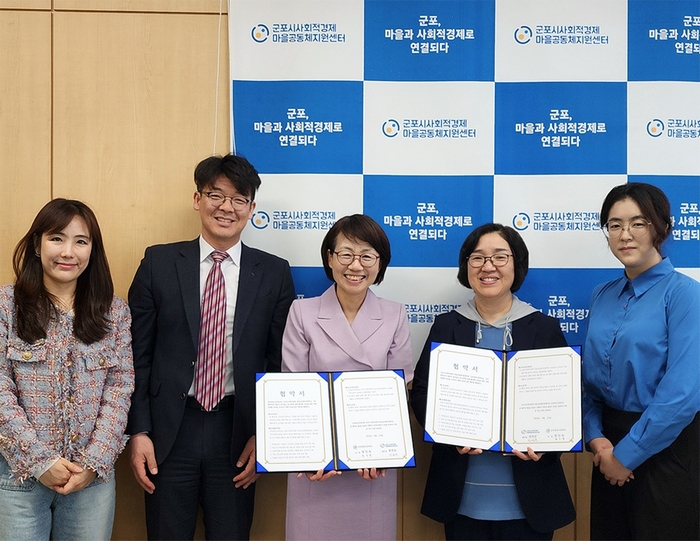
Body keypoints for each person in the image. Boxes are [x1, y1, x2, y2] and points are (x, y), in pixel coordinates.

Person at [127, 153, 295, 540]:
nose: (226, 207)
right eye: (215, 195)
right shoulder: (159, 262)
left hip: (237, 433)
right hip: (169, 432)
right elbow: (136, 357)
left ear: (251, 208)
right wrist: (139, 432)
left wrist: (264, 436)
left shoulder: (273, 272)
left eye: (239, 199)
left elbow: (278, 362)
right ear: (197, 199)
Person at [411, 223, 575, 541]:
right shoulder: (447, 326)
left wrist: (546, 446)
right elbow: (421, 391)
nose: (488, 267)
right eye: (478, 258)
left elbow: (566, 402)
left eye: (500, 257)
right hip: (461, 500)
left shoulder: (544, 328)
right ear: (466, 266)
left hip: (530, 501)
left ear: (517, 264)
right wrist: (447, 434)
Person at [0, 199, 134, 541]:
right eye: (56, 238)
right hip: (18, 475)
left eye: (81, 241)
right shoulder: (5, 306)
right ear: (36, 244)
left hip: (91, 480)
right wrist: (39, 460)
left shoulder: (113, 312)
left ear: (92, 250)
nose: (68, 252)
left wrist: (93, 461)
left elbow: (120, 390)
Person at [281, 214, 413, 541]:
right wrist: (313, 455)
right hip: (315, 467)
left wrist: (381, 452)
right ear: (330, 257)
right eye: (346, 254)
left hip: (373, 467)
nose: (356, 265)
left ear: (380, 263)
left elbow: (400, 393)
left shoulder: (396, 314)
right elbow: (294, 390)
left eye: (367, 255)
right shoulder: (303, 312)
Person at [583, 182, 699, 540]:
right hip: (607, 449)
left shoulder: (685, 294)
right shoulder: (601, 295)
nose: (625, 234)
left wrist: (627, 455)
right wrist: (596, 439)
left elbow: (682, 395)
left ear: (660, 226)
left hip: (667, 449)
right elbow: (588, 383)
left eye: (638, 222)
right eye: (614, 225)